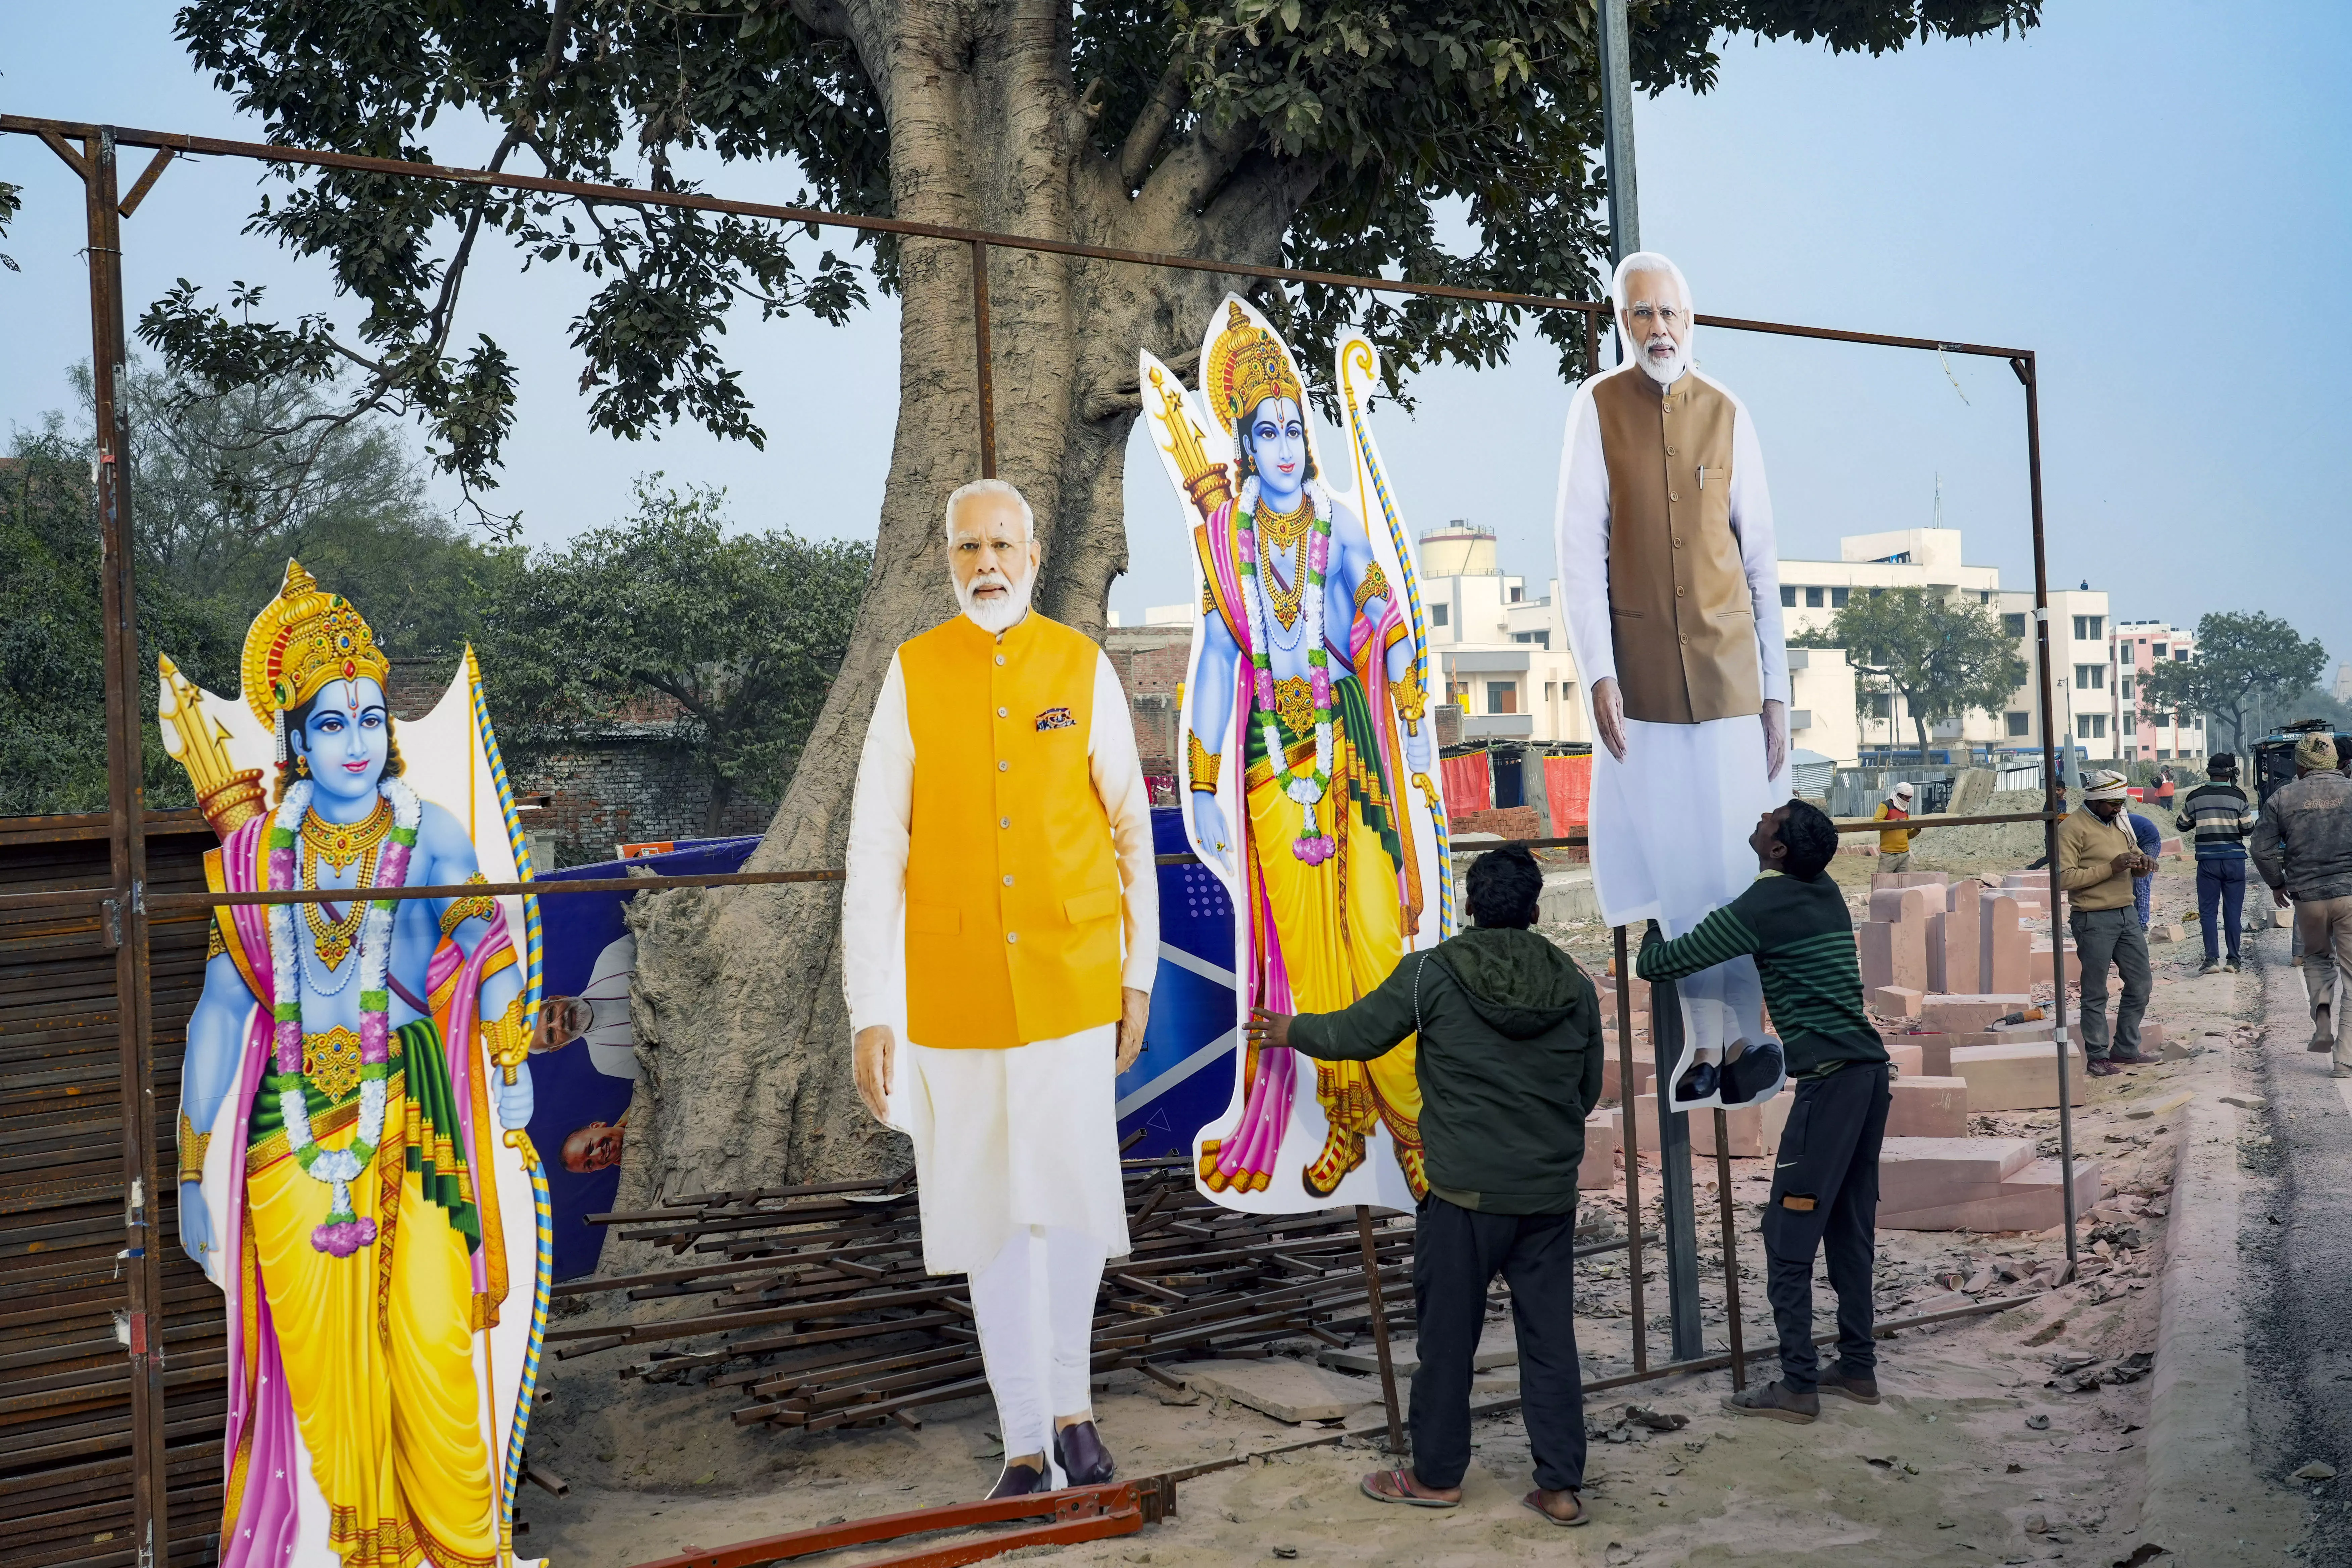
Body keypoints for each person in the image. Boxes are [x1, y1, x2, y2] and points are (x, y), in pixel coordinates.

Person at [173, 562, 538, 1568]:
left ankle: (469, 1556)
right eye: (330, 723)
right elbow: (219, 1013)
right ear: (291, 738)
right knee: (327, 1392)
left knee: (430, 1352)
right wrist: (188, 1172)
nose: (355, 743)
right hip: (287, 1147)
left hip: (414, 1115)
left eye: (372, 720)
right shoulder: (251, 865)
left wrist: (512, 1056)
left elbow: (490, 958)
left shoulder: (430, 838)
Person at [844, 478, 1159, 1497]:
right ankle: (1023, 1439)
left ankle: (1073, 1412)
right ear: (946, 559)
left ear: (1031, 556)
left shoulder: (1079, 665)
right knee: (987, 1215)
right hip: (952, 989)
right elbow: (873, 849)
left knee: (1066, 1206)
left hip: (1072, 982)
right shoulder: (911, 672)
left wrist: (1138, 974)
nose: (986, 562)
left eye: (1002, 545)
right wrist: (871, 1008)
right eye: (968, 546)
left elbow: (1129, 831)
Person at [1244, 845, 1602, 1525]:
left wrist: (1293, 1030)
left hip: (1464, 1195)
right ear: (1534, 908)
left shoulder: (1431, 973)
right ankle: (1560, 1486)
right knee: (1550, 1342)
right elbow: (1585, 1091)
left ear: (1470, 904)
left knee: (1446, 1341)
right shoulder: (1573, 981)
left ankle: (1436, 1476)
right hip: (1547, 1196)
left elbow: (1358, 1032)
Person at [1171, 301, 1435, 1199]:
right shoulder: (1225, 544)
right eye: (1265, 432)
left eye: (1294, 429)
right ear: (1243, 442)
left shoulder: (1339, 521)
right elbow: (1215, 657)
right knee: (1310, 962)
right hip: (1268, 768)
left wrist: (1400, 667)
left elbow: (1381, 606)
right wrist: (1202, 779)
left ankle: (1414, 1126)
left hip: (1349, 753)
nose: (1284, 446)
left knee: (1374, 944)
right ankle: (1347, 1122)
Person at [1553, 250, 1790, 1111]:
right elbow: (1580, 556)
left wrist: (1778, 694)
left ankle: (1735, 1041)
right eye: (1642, 314)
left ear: (1692, 321)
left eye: (1671, 314)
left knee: (1734, 863)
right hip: (1643, 682)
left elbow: (1760, 564)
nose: (1658, 329)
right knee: (1678, 865)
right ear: (1623, 322)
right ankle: (1715, 1038)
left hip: (1731, 676)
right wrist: (1597, 673)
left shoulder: (1728, 413)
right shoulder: (1599, 409)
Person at [1636, 799, 1888, 1422]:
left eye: (1769, 819)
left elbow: (1659, 964)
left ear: (1776, 851)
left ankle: (1797, 1385)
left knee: (1787, 1234)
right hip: (1868, 1076)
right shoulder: (1822, 887)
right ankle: (1856, 1367)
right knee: (1848, 1227)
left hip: (1828, 1087)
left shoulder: (1762, 906)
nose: (1760, 814)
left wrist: (1651, 914)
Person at [2250, 732, 2352, 1073]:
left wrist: (2278, 884)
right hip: (2350, 895)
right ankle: (2346, 1059)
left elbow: (2260, 849)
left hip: (2308, 899)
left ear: (2301, 764)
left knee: (2319, 962)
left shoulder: (2283, 797)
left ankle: (2322, 1025)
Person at [2058, 771, 2159, 1077]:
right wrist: (2109, 868)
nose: (2118, 809)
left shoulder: (2120, 822)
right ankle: (2098, 1055)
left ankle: (2126, 1048)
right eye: (2113, 804)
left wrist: (2143, 866)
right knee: (2095, 991)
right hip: (2093, 917)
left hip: (2126, 913)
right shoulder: (2072, 829)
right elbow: (2063, 878)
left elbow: (2134, 858)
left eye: (2120, 803)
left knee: (2141, 983)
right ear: (2096, 800)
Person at [2177, 754, 2257, 974]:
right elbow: (2248, 829)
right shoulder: (2238, 797)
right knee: (2233, 913)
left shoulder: (2195, 796)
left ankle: (2212, 959)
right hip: (2234, 862)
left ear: (2209, 772)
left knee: (2209, 912)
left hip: (2207, 863)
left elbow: (2182, 826)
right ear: (2231, 773)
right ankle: (2234, 961)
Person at [2128, 807, 2164, 929]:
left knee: (2141, 882)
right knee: (2134, 882)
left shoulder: (2117, 824)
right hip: (2141, 841)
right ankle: (2137, 920)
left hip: (2150, 843)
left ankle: (2142, 923)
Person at [1872, 782, 1919, 872]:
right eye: (1907, 798)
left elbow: (1907, 835)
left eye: (1910, 798)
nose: (1908, 801)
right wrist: (1896, 821)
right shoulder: (1886, 805)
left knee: (1903, 884)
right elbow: (1876, 822)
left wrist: (1917, 830)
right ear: (1899, 795)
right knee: (1884, 883)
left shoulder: (1905, 811)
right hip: (1889, 854)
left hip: (1904, 854)